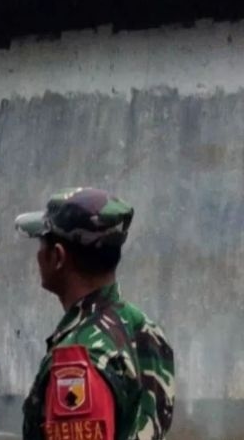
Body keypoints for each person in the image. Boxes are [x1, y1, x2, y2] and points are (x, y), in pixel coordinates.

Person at [15, 187, 175, 440]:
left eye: (42, 242)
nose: (37, 255)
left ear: (57, 257)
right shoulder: (144, 329)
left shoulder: (78, 362)